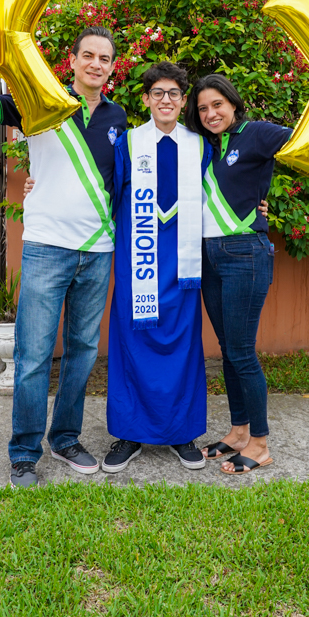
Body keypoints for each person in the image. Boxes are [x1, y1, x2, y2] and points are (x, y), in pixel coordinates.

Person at [0, 17, 126, 488]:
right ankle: (23, 453)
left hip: (98, 250)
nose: (96, 64)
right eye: (88, 55)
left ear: (111, 67)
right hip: (46, 248)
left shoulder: (118, 118)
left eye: (104, 58)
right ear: (72, 61)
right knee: (35, 356)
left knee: (82, 353)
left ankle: (65, 439)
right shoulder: (38, 100)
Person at [102, 62, 211, 472]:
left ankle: (181, 433)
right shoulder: (128, 143)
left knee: (182, 346)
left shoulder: (200, 146)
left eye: (174, 94)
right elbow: (106, 194)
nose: (166, 100)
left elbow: (220, 195)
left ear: (183, 101)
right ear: (146, 99)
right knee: (132, 343)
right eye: (158, 93)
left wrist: (258, 205)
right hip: (140, 262)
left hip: (183, 266)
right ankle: (130, 433)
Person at [184, 74, 292, 475]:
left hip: (244, 253)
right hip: (208, 255)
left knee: (242, 351)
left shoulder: (257, 133)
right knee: (228, 348)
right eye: (203, 108)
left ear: (232, 103)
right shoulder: (206, 147)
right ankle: (238, 432)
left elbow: (304, 144)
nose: (211, 113)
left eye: (217, 104)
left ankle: (260, 444)